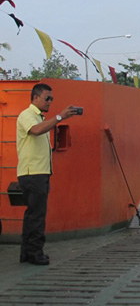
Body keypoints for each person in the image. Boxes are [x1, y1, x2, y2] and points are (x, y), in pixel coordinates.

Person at [16, 83, 79, 265]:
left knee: (32, 214)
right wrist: (60, 117)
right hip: (33, 173)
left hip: (38, 173)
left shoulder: (39, 118)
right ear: (35, 97)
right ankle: (35, 253)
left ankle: (27, 252)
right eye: (47, 98)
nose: (50, 102)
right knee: (37, 215)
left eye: (51, 98)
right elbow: (36, 131)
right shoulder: (27, 116)